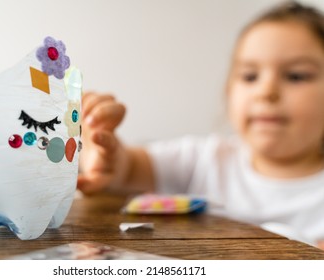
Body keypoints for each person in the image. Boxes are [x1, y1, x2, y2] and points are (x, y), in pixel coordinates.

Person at [77, 1, 324, 249]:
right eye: (250, 76)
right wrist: (107, 156)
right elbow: (128, 169)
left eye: (296, 75)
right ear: (228, 91)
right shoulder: (205, 159)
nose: (266, 92)